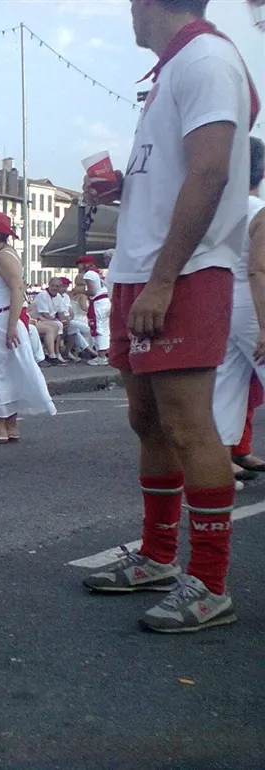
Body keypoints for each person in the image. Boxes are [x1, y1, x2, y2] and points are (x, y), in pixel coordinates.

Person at [80, 0, 257, 633]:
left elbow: (210, 173)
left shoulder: (207, 57)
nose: (129, 11)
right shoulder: (175, 67)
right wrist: (123, 187)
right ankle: (157, 556)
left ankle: (209, 584)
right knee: (148, 420)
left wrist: (162, 280)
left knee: (188, 426)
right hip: (138, 271)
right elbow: (182, 171)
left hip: (182, 271)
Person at [0, 212, 56, 444]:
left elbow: (17, 289)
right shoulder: (1, 256)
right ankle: (9, 425)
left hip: (2, 321)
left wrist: (11, 326)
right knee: (7, 371)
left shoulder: (4, 258)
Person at [212, 137, 265, 483]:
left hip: (222, 301)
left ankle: (216, 462)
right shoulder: (260, 211)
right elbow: (258, 269)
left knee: (227, 384)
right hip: (252, 303)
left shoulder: (219, 211)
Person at [77, 255, 111, 366]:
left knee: (98, 328)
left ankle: (101, 356)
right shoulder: (98, 273)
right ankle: (105, 353)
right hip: (105, 301)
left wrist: (80, 291)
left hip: (98, 303)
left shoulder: (89, 274)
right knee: (105, 329)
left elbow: (92, 291)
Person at [32, 278, 69, 365]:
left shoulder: (58, 296)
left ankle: (55, 353)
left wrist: (64, 320)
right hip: (38, 319)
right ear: (49, 285)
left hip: (48, 320)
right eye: (52, 286)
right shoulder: (43, 295)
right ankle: (54, 353)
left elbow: (61, 312)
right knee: (57, 325)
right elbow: (45, 314)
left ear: (60, 287)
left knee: (62, 324)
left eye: (57, 286)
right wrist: (60, 321)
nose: (54, 288)